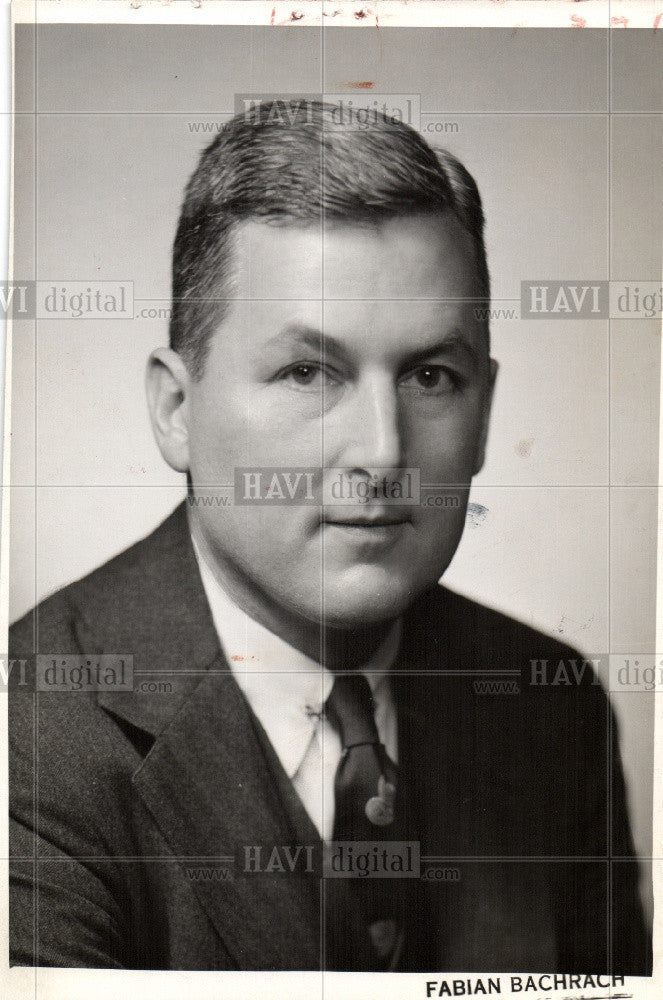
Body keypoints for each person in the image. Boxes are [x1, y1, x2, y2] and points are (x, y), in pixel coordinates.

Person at [9, 100, 650, 973]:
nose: (382, 452)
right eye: (307, 372)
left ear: (485, 408)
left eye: (431, 375)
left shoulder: (550, 707)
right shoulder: (30, 736)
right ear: (175, 410)